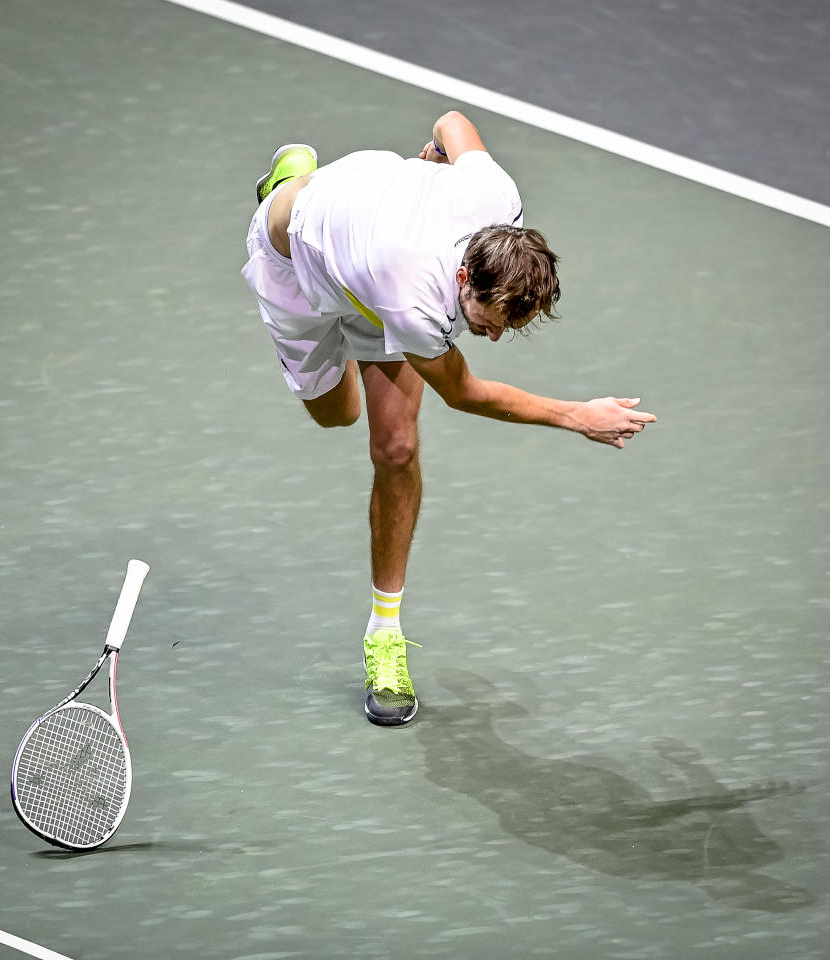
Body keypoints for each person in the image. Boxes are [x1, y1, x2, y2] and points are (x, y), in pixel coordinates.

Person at [241, 110, 656, 727]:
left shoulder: (497, 196)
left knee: (396, 450)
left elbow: (452, 121)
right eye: (485, 322)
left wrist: (436, 156)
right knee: (338, 414)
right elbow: (465, 392)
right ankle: (288, 181)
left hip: (372, 247)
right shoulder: (414, 298)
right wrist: (576, 415)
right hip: (298, 259)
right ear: (463, 277)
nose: (490, 338)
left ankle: (385, 635)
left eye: (506, 330)